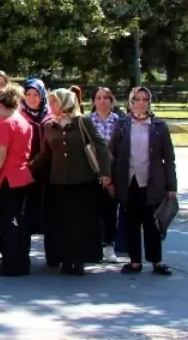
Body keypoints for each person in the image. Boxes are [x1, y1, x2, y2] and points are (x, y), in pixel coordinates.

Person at [35, 87, 111, 275]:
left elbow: (100, 147)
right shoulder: (49, 126)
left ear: (65, 102)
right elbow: (45, 154)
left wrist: (105, 173)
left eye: (55, 101)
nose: (51, 105)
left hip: (82, 182)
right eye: (50, 101)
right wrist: (27, 168)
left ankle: (80, 260)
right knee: (62, 223)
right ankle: (64, 259)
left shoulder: (82, 122)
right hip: (58, 183)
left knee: (81, 223)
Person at [109, 86, 176, 276]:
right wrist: (111, 181)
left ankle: (156, 261)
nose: (141, 103)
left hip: (152, 183)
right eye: (137, 99)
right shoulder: (122, 124)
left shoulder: (159, 126)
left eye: (145, 99)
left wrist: (171, 186)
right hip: (128, 182)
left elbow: (169, 159)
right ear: (131, 102)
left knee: (152, 224)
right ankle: (135, 262)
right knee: (130, 223)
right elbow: (112, 155)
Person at [0, 83, 35, 276]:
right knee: (21, 223)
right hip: (23, 176)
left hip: (9, 178)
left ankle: (12, 263)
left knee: (8, 223)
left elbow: (1, 153)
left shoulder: (6, 123)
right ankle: (22, 261)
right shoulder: (24, 121)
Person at [89, 86, 124, 263]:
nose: (102, 101)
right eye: (98, 98)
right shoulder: (86, 121)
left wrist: (110, 176)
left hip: (111, 174)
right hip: (91, 174)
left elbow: (119, 152)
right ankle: (93, 247)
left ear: (112, 100)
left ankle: (109, 246)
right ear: (93, 101)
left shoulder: (120, 122)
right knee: (92, 211)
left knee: (111, 211)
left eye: (106, 98)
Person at [20, 78, 50, 235]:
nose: (31, 98)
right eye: (28, 94)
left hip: (49, 168)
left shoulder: (50, 115)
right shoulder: (19, 115)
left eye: (36, 94)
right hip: (27, 167)